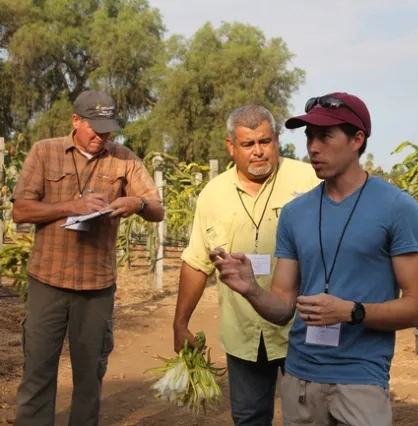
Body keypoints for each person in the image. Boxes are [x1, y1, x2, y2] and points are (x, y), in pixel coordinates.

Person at [211, 92, 418, 426]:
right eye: (309, 137)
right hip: (300, 380)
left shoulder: (397, 208)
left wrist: (351, 311)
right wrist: (251, 288)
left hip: (361, 380)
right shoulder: (295, 213)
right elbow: (284, 308)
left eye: (325, 136)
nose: (313, 147)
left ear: (357, 139)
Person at [11, 90, 164, 426]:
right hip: (47, 283)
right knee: (38, 371)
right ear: (75, 121)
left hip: (96, 288)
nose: (101, 135)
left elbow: (156, 208)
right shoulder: (45, 153)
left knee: (90, 377)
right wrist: (71, 207)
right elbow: (20, 210)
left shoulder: (124, 159)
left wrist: (135, 204)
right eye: (94, 127)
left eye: (108, 128)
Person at [173, 104, 320, 426]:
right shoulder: (213, 194)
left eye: (265, 142)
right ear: (231, 146)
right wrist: (180, 322)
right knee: (249, 418)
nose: (258, 152)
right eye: (248, 144)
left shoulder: (309, 180)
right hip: (243, 332)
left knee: (310, 417)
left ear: (277, 140)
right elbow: (197, 261)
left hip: (303, 330)